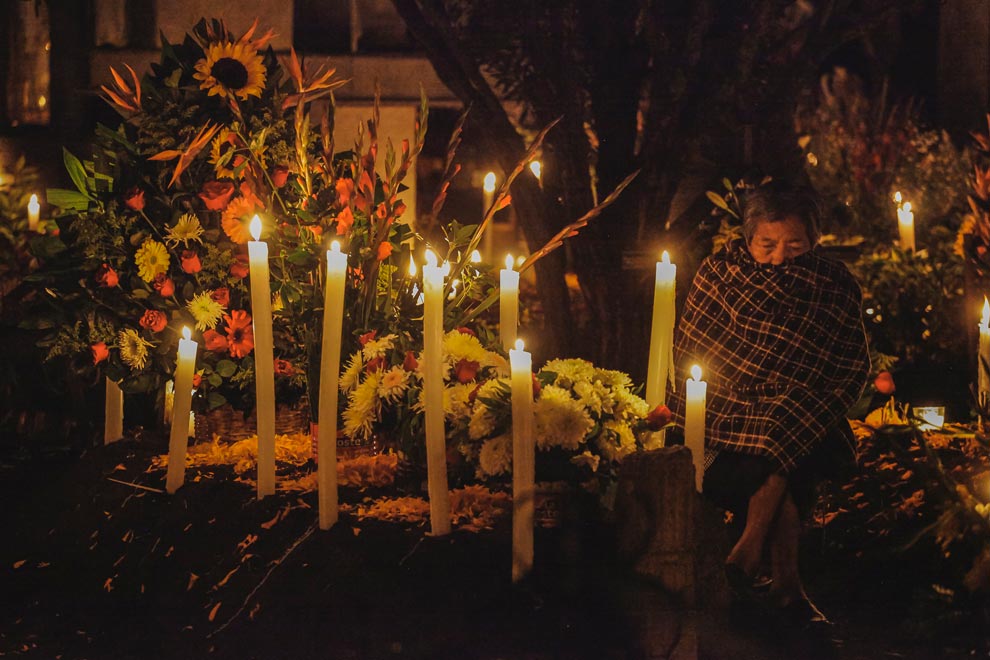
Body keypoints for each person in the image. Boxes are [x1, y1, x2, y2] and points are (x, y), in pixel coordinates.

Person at [668, 182, 870, 626]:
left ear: (814, 239)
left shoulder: (834, 284)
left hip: (808, 408)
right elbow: (692, 347)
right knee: (782, 440)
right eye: (767, 245)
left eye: (794, 245)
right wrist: (748, 394)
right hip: (727, 407)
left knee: (784, 419)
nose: (780, 258)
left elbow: (849, 362)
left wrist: (799, 396)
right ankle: (787, 586)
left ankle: (750, 553)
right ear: (748, 238)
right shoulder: (720, 274)